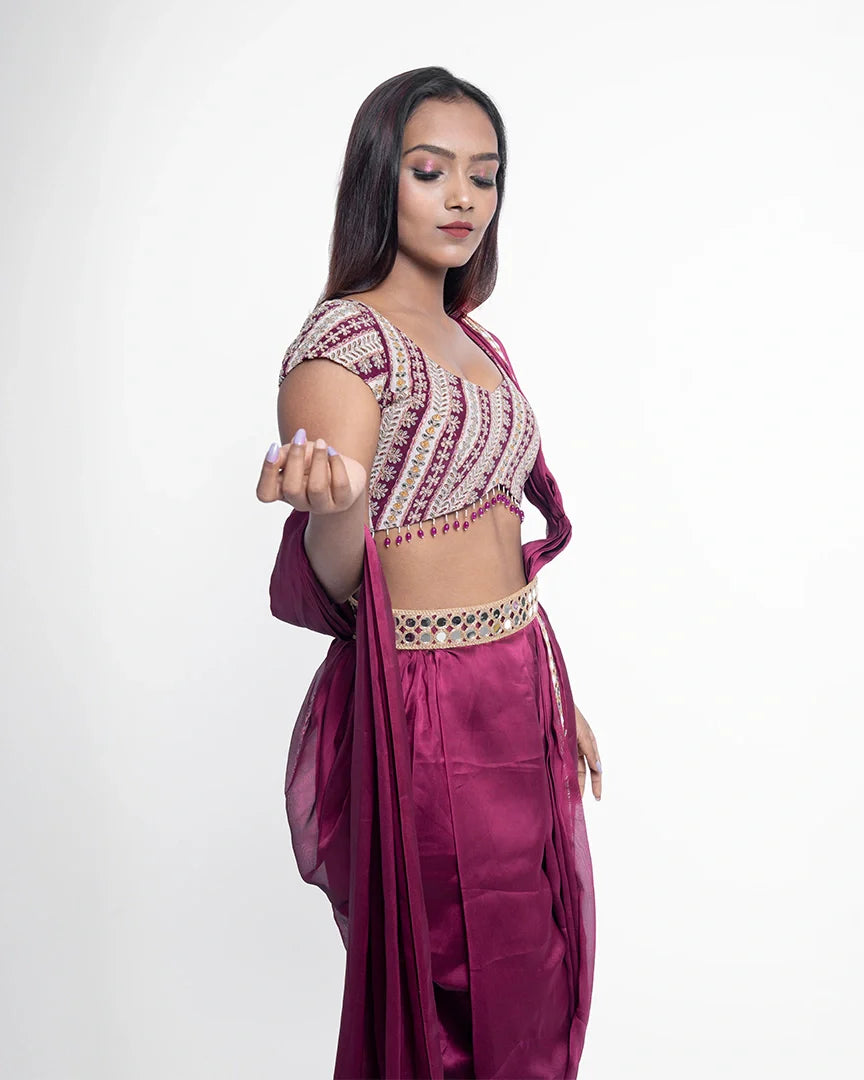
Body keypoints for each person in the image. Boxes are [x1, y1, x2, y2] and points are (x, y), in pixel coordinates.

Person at [256, 66, 601, 1080]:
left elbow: (498, 523)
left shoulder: (476, 339)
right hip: (426, 708)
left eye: (484, 177)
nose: (463, 198)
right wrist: (335, 504)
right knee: (454, 991)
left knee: (536, 973)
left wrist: (554, 693)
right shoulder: (345, 344)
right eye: (431, 170)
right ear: (380, 178)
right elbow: (342, 574)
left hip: (516, 687)